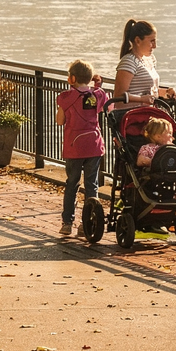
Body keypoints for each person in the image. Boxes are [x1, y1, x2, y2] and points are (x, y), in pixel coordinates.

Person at [54, 61, 110, 237]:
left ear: (71, 78)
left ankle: (67, 223)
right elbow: (104, 103)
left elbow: (60, 121)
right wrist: (98, 85)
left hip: (74, 147)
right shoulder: (97, 95)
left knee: (72, 183)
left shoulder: (66, 97)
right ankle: (88, 223)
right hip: (94, 145)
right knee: (92, 184)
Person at [114, 19, 175, 109]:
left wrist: (166, 92)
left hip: (147, 112)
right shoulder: (128, 62)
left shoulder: (150, 60)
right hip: (131, 114)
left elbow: (148, 91)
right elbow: (118, 96)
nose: (155, 46)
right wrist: (141, 99)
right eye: (152, 41)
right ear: (138, 41)